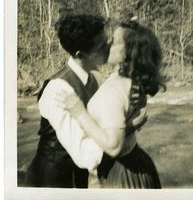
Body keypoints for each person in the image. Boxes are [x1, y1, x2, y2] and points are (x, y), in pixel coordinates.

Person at [26, 13, 146, 188]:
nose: (109, 46)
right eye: (101, 45)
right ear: (80, 54)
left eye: (108, 40)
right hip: (51, 181)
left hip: (79, 179)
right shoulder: (57, 90)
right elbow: (84, 154)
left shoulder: (96, 78)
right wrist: (126, 128)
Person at [58, 20, 163, 188]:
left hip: (121, 174)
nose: (107, 45)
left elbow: (113, 146)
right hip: (136, 164)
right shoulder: (131, 81)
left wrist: (79, 113)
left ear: (127, 52)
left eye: (113, 41)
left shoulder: (113, 90)